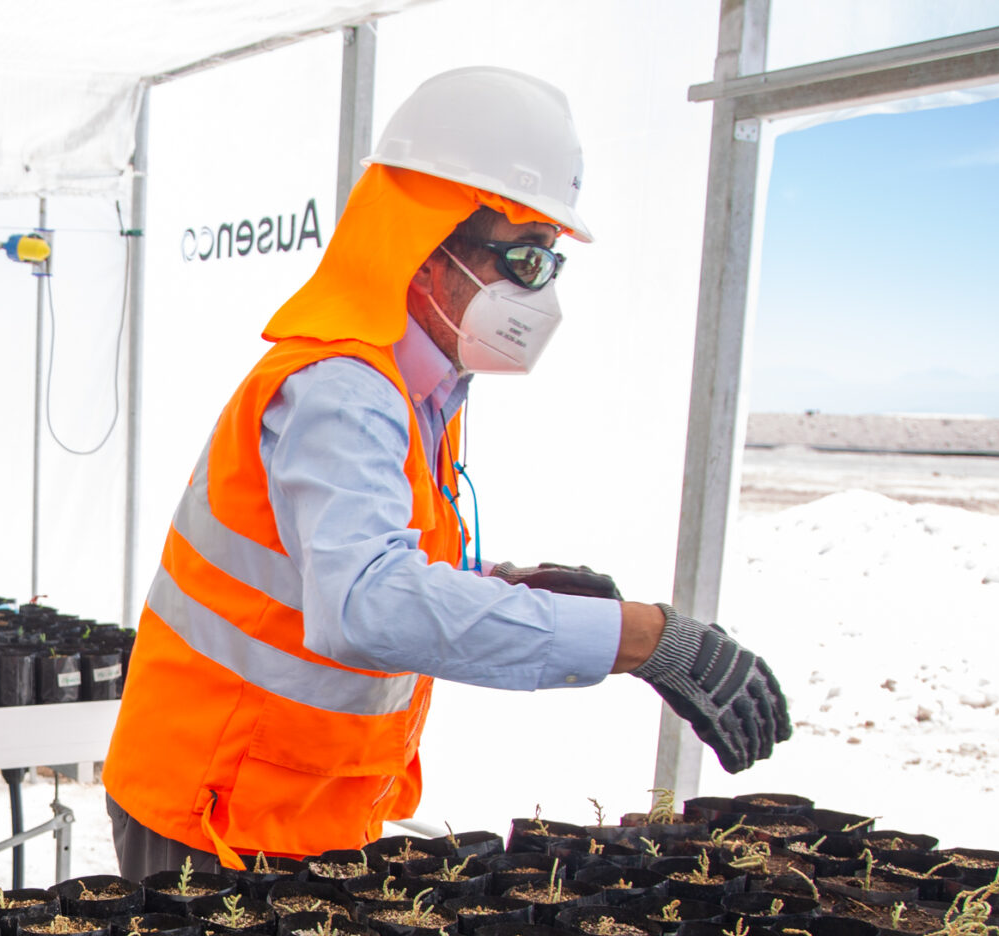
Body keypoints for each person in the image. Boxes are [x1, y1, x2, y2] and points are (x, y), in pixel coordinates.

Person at [103, 67, 791, 878]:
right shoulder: (343, 389)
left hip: (294, 800)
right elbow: (366, 603)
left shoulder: (419, 389)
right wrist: (643, 640)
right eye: (525, 261)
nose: (542, 295)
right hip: (217, 807)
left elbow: (341, 559)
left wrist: (503, 582)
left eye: (550, 265)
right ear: (429, 256)